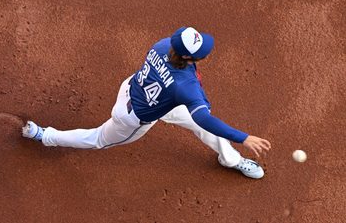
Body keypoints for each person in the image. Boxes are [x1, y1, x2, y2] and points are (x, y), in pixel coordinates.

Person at [22, 27, 271, 179]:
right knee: (98, 139)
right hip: (131, 117)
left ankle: (231, 159)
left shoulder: (163, 44)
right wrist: (244, 137)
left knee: (201, 126)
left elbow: (199, 116)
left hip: (141, 89)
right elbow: (203, 115)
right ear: (187, 56)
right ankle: (46, 136)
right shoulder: (186, 87)